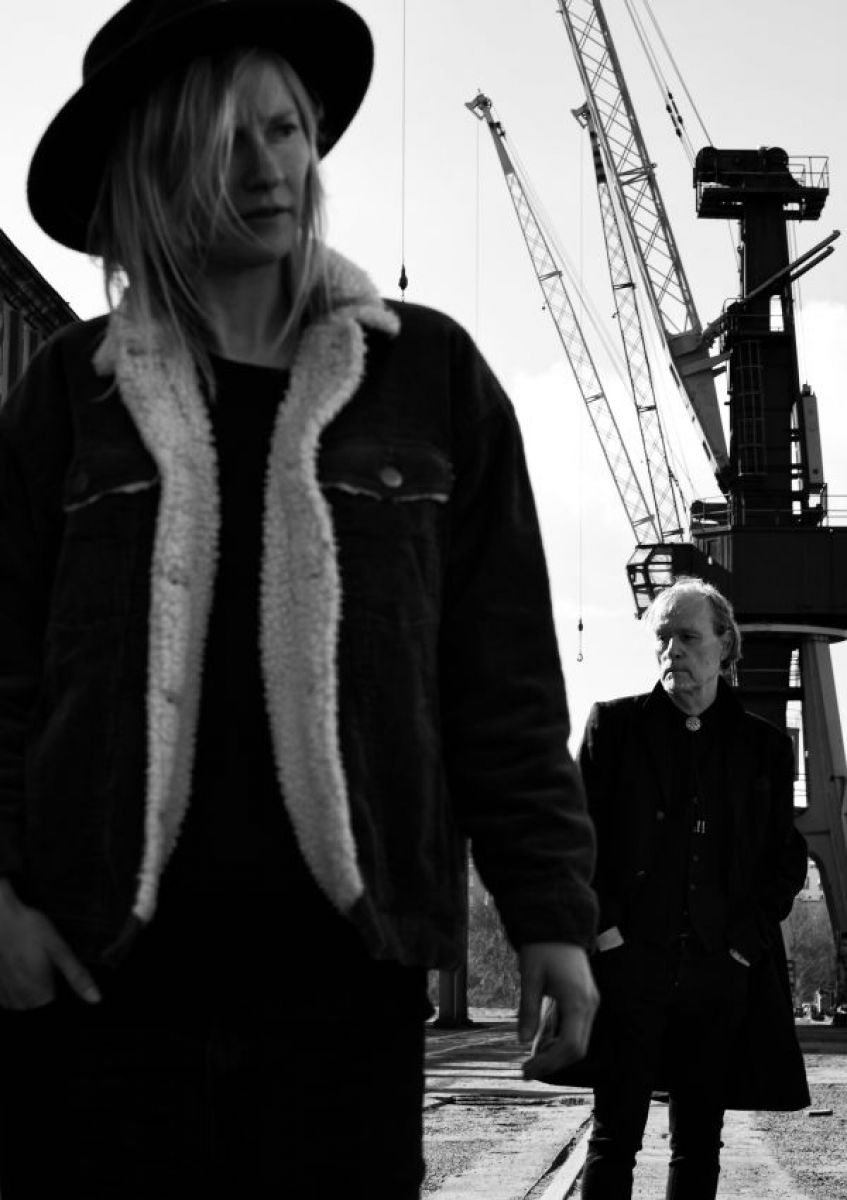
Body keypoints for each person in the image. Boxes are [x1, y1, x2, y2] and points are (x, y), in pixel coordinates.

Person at [0, 2, 599, 1197]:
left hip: (347, 980)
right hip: (96, 977)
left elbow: (502, 683)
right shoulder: (71, 393)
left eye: (284, 130)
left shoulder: (431, 377)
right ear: (154, 167)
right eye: (225, 141)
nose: (269, 168)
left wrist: (551, 909)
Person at [541, 576, 809, 1199]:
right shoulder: (613, 728)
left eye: (687, 637)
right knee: (613, 1139)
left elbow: (784, 859)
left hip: (718, 976)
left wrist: (743, 945)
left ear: (725, 645)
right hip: (626, 972)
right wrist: (606, 931)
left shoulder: (764, 747)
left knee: (698, 1145)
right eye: (663, 638)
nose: (673, 651)